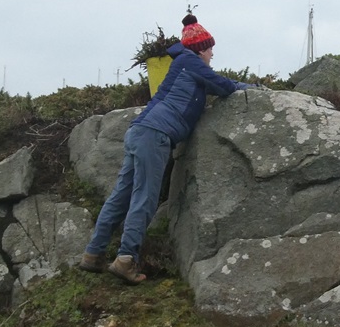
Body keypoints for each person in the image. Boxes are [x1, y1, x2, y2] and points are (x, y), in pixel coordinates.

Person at [80, 15, 253, 285]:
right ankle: (125, 259)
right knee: (144, 198)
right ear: (200, 49)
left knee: (121, 195)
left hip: (140, 130)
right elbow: (225, 87)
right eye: (209, 48)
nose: (212, 53)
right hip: (156, 134)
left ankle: (93, 254)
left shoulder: (182, 64)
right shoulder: (191, 62)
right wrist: (253, 89)